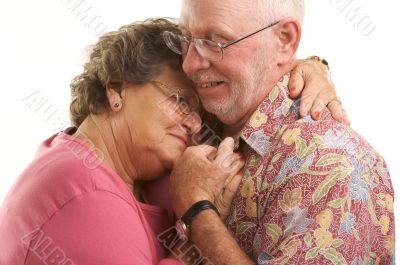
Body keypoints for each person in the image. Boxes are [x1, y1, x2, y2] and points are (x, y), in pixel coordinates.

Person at [0, 18, 340, 264]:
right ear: (117, 90)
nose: (194, 123)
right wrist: (197, 215)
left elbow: (243, 85)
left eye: (198, 110)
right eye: (179, 101)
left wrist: (306, 67)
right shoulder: (83, 193)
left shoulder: (132, 170)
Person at [166, 0, 395, 264]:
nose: (190, 65)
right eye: (185, 39)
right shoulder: (192, 109)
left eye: (217, 42)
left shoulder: (336, 167)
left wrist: (196, 209)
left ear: (285, 40)